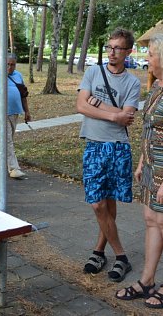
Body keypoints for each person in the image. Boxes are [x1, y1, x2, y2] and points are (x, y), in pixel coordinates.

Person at [76, 28, 141, 282]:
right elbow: (81, 105)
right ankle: (122, 257)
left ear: (128, 52)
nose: (111, 52)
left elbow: (129, 117)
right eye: (109, 47)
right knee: (97, 204)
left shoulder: (132, 82)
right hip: (94, 145)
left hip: (117, 146)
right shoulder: (93, 72)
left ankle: (98, 251)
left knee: (109, 203)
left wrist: (99, 104)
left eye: (117, 48)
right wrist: (113, 114)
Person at [115, 34, 163, 309]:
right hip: (151, 168)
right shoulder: (157, 86)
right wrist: (142, 161)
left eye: (152, 55)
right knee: (150, 221)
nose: (148, 60)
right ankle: (147, 280)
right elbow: (150, 128)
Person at [0, 53, 31, 178]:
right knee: (7, 139)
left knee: (6, 139)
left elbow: (23, 95)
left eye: (12, 65)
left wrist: (27, 111)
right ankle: (14, 168)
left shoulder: (18, 75)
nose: (9, 67)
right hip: (0, 113)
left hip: (15, 112)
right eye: (7, 64)